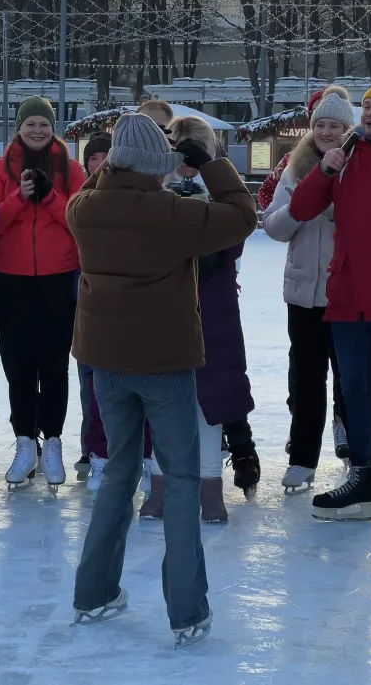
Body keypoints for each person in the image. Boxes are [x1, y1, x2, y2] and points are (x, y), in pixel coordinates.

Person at [67, 112, 257, 646]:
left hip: (106, 361)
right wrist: (212, 162)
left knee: (120, 472)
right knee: (178, 480)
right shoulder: (171, 212)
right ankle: (187, 609)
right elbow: (243, 215)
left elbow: (102, 185)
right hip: (165, 363)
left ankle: (94, 591)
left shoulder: (83, 207)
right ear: (158, 165)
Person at [289, 84, 371, 520]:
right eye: (366, 106)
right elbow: (303, 208)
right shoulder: (346, 156)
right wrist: (325, 169)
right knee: (355, 390)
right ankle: (364, 478)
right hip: (346, 296)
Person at [0, 96, 85, 488]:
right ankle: (25, 441)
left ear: (53, 127)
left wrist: (49, 197)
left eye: (44, 124)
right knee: (18, 365)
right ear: (19, 127)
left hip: (59, 278)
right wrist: (19, 197)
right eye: (31, 124)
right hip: (10, 279)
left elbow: (79, 220)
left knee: (54, 363)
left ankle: (53, 439)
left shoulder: (72, 169)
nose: (38, 130)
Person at [165, 116, 259, 522]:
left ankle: (241, 447)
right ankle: (167, 475)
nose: (185, 161)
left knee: (221, 377)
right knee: (171, 385)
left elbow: (239, 229)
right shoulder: (160, 183)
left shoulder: (221, 184)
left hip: (214, 295)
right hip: (167, 297)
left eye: (194, 151)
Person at [263, 88, 354, 492]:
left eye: (335, 125)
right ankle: (302, 459)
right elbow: (275, 227)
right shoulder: (296, 167)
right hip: (303, 294)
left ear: (347, 129)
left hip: (347, 291)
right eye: (320, 124)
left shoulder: (362, 165)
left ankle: (354, 450)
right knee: (306, 378)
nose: (327, 132)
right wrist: (304, 201)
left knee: (351, 377)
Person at [74, 132, 112, 481]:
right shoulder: (81, 200)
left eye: (106, 157)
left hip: (125, 305)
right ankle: (93, 447)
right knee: (90, 378)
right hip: (87, 299)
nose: (99, 165)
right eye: (94, 158)